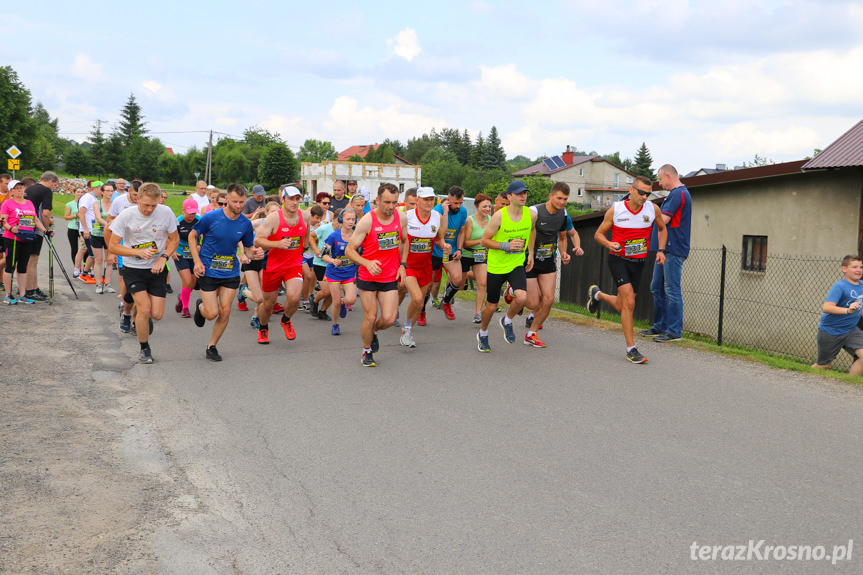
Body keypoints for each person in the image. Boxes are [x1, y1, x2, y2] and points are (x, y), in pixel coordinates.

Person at [588, 176, 667, 364]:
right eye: (641, 192)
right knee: (630, 302)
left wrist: (661, 250)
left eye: (648, 193)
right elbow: (598, 234)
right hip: (618, 260)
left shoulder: (652, 209)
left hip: (638, 262)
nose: (644, 197)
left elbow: (662, 229)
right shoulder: (616, 210)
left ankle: (597, 295)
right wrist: (609, 243)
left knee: (622, 304)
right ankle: (631, 349)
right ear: (631, 190)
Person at [108, 183, 179, 364]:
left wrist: (163, 258)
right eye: (146, 205)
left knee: (157, 314)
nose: (149, 209)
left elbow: (174, 240)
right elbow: (113, 245)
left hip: (157, 268)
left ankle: (132, 302)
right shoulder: (126, 215)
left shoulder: (166, 212)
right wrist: (137, 252)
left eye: (153, 206)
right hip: (134, 268)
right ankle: (144, 348)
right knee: (145, 310)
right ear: (137, 198)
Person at [189, 184, 259, 361]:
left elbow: (249, 249)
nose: (238, 205)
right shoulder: (211, 217)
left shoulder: (245, 223)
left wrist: (254, 253)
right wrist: (196, 261)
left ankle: (212, 346)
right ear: (226, 199)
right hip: (208, 270)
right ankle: (201, 306)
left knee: (225, 311)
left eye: (241, 202)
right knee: (212, 313)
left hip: (230, 271)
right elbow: (192, 235)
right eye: (234, 201)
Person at [346, 183, 405, 367]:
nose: (391, 206)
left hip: (389, 275)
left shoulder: (401, 218)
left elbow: (405, 242)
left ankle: (374, 332)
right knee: (370, 317)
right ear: (377, 200)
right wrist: (367, 263)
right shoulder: (367, 221)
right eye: (387, 202)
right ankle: (366, 351)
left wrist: (403, 265)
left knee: (388, 318)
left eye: (394, 202)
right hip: (368, 276)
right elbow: (350, 250)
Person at [475, 180, 536, 352]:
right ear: (509, 197)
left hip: (516, 263)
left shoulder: (531, 214)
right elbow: (484, 240)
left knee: (522, 298)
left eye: (525, 193)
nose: (523, 196)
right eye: (519, 193)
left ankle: (507, 320)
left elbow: (532, 230)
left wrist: (530, 253)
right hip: (496, 266)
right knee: (492, 306)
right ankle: (483, 333)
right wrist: (506, 246)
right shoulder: (499, 216)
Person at [522, 182, 581, 347]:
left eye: (565, 199)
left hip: (548, 258)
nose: (562, 202)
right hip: (529, 258)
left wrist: (564, 253)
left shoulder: (563, 215)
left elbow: (563, 237)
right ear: (550, 196)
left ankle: (531, 334)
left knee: (548, 299)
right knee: (533, 303)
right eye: (559, 198)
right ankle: (514, 288)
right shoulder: (534, 211)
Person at [640, 164, 692, 343]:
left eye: (660, 179)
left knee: (671, 289)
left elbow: (664, 220)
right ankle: (660, 326)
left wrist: (645, 213)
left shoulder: (679, 194)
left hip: (673, 248)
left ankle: (674, 330)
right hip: (665, 249)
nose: (660, 184)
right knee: (657, 287)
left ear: (668, 176)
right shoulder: (674, 195)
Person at [252, 186, 309, 345]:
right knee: (268, 304)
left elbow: (306, 230)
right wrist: (278, 243)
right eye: (291, 199)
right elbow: (258, 240)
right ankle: (263, 327)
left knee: (295, 296)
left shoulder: (304, 216)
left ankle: (286, 319)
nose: (295, 202)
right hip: (273, 265)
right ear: (282, 200)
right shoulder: (274, 218)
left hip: (293, 264)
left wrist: (304, 247)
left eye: (297, 199)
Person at [398, 187, 448, 348]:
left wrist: (445, 245)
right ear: (417, 200)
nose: (429, 202)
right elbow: (399, 241)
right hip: (409, 266)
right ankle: (403, 325)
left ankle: (407, 329)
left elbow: (439, 239)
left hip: (426, 267)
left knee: (420, 303)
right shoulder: (407, 217)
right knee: (417, 298)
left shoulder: (437, 216)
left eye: (431, 199)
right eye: (425, 199)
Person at [812, 255, 863, 375]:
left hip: (851, 330)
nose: (859, 270)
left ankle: (849, 383)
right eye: (854, 267)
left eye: (861, 267)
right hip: (831, 331)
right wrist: (847, 311)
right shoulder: (839, 286)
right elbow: (826, 307)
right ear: (844, 269)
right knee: (824, 365)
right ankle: (804, 381)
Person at [2, 180, 49, 304]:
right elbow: (2, 220)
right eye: (16, 188)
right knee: (10, 266)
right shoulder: (7, 203)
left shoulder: (29, 203)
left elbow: (36, 220)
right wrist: (11, 228)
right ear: (11, 191)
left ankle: (23, 295)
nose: (20, 190)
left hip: (27, 237)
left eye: (21, 188)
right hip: (12, 238)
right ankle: (8, 295)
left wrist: (45, 231)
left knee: (23, 267)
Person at [428, 186, 468, 321]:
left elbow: (462, 231)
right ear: (448, 199)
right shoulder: (437, 210)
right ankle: (421, 311)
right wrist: (445, 212)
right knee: (428, 284)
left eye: (460, 203)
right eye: (455, 203)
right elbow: (441, 233)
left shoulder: (462, 211)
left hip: (451, 251)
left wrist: (459, 249)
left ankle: (446, 301)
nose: (458, 206)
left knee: (458, 279)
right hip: (435, 251)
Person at [321, 208, 359, 336]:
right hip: (334, 273)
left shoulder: (357, 236)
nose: (350, 222)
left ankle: (343, 303)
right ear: (342, 220)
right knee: (335, 302)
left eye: (353, 219)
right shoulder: (333, 236)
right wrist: (332, 260)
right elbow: (323, 255)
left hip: (349, 272)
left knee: (351, 300)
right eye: (348, 219)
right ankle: (335, 324)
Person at [23, 171, 58, 301]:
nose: (54, 188)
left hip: (24, 227)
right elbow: (45, 213)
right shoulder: (46, 191)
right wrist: (47, 229)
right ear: (50, 181)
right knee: (33, 260)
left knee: (29, 259)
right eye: (54, 185)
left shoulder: (30, 188)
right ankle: (29, 290)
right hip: (36, 228)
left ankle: (33, 286)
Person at [460, 193, 492, 323]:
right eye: (484, 206)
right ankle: (452, 284)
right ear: (477, 206)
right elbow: (465, 243)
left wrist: (488, 246)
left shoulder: (491, 219)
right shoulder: (470, 220)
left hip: (480, 255)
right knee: (459, 284)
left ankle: (478, 312)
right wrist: (482, 240)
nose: (487, 209)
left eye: (489, 206)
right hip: (467, 254)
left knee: (483, 283)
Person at [173, 198, 201, 318]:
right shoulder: (177, 222)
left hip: (194, 254)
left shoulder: (199, 220)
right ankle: (185, 308)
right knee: (187, 281)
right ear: (183, 211)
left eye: (194, 213)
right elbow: (169, 238)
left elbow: (206, 235)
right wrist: (172, 250)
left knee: (192, 284)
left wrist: (200, 245)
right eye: (190, 213)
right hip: (180, 254)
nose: (192, 216)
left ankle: (181, 298)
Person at [77, 180, 103, 286]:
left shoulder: (94, 198)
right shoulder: (87, 197)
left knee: (92, 254)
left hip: (94, 230)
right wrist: (85, 229)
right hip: (88, 229)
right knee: (92, 254)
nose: (103, 192)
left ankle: (86, 273)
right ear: (96, 188)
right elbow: (81, 213)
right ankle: (84, 274)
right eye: (102, 190)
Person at [91, 183, 116, 294]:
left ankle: (108, 284)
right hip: (97, 234)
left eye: (112, 191)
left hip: (110, 235)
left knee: (109, 260)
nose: (110, 193)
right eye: (108, 191)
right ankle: (98, 284)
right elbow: (98, 217)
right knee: (99, 260)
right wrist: (108, 225)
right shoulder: (97, 203)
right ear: (102, 192)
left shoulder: (114, 204)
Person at [64, 187, 84, 270]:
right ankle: (77, 267)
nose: (80, 193)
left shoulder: (84, 203)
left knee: (84, 248)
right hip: (73, 227)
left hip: (82, 228)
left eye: (81, 192)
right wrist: (75, 215)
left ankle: (86, 267)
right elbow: (66, 217)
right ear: (74, 193)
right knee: (74, 248)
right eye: (78, 192)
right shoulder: (70, 204)